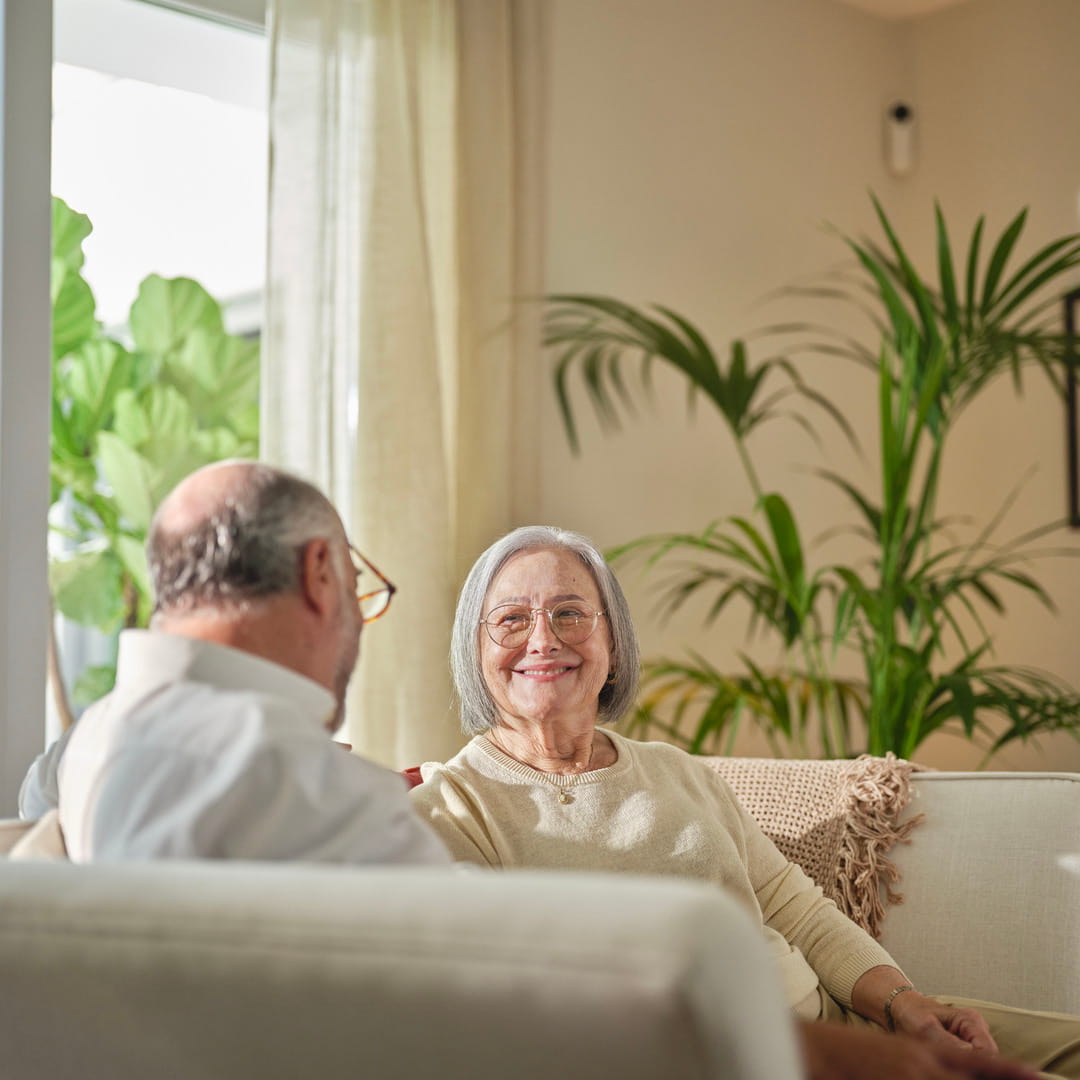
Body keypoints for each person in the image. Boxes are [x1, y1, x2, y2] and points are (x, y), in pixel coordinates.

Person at [410, 525, 1080, 1079]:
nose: (543, 639)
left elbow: (798, 908)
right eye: (510, 620)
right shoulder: (451, 810)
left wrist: (906, 1005)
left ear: (612, 646)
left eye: (570, 614)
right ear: (475, 653)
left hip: (844, 1021)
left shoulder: (677, 771)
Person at [21, 460, 449, 867]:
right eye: (354, 588)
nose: (359, 620)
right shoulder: (342, 808)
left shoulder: (58, 774)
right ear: (318, 572)